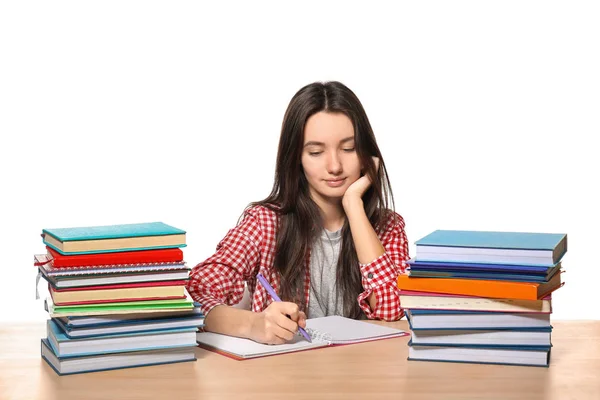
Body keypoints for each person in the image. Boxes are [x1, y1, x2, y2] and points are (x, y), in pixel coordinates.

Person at [186, 81, 409, 345]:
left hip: (364, 379)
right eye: (316, 152)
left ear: (366, 154)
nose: (335, 166)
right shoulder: (265, 224)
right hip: (285, 380)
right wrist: (253, 324)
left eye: (348, 149)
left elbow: (393, 308)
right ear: (297, 159)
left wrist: (354, 206)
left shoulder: (387, 227)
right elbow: (198, 291)